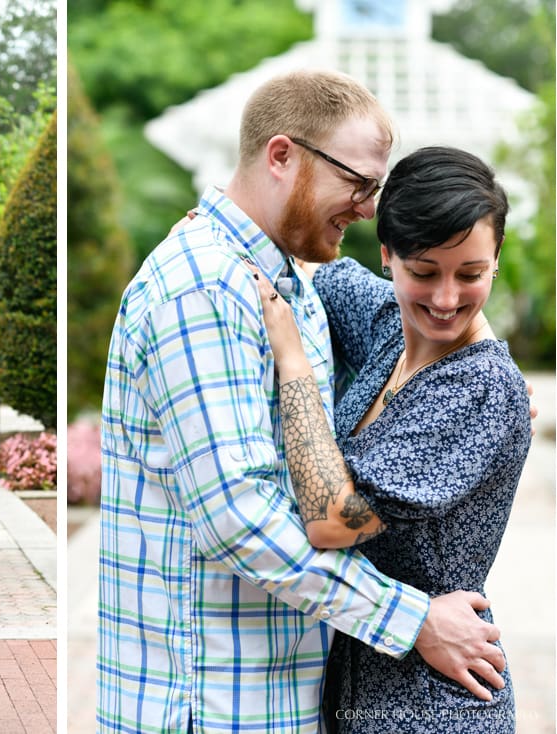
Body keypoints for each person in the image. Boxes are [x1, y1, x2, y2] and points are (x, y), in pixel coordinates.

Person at [97, 69, 506, 733]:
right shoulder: (205, 291)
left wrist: (487, 378)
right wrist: (412, 620)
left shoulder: (285, 280)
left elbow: (434, 305)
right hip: (212, 703)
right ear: (282, 156)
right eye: (358, 183)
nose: (369, 206)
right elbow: (239, 518)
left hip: (270, 693)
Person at [250, 146, 531, 732]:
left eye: (472, 274)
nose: (446, 299)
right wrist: (211, 240)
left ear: (497, 259)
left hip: (435, 702)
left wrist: (293, 363)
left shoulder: (480, 387)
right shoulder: (390, 325)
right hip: (362, 680)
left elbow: (334, 519)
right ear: (388, 256)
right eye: (424, 272)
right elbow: (315, 270)